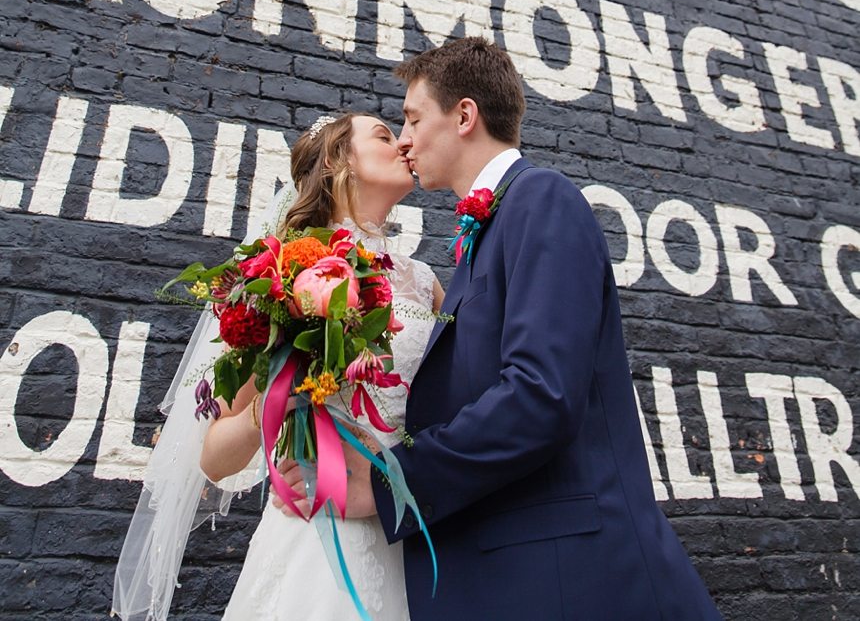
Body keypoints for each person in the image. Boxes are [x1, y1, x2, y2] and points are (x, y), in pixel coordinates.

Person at [280, 37, 722, 621]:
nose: (405, 139)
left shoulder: (542, 199)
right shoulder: (482, 237)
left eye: (412, 119)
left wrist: (389, 482)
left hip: (571, 581)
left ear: (464, 115)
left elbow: (541, 394)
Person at [113, 111, 440, 621]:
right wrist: (268, 404)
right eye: (382, 135)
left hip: (408, 525)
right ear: (337, 161)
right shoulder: (280, 275)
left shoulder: (426, 282)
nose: (402, 143)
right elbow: (215, 459)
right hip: (316, 527)